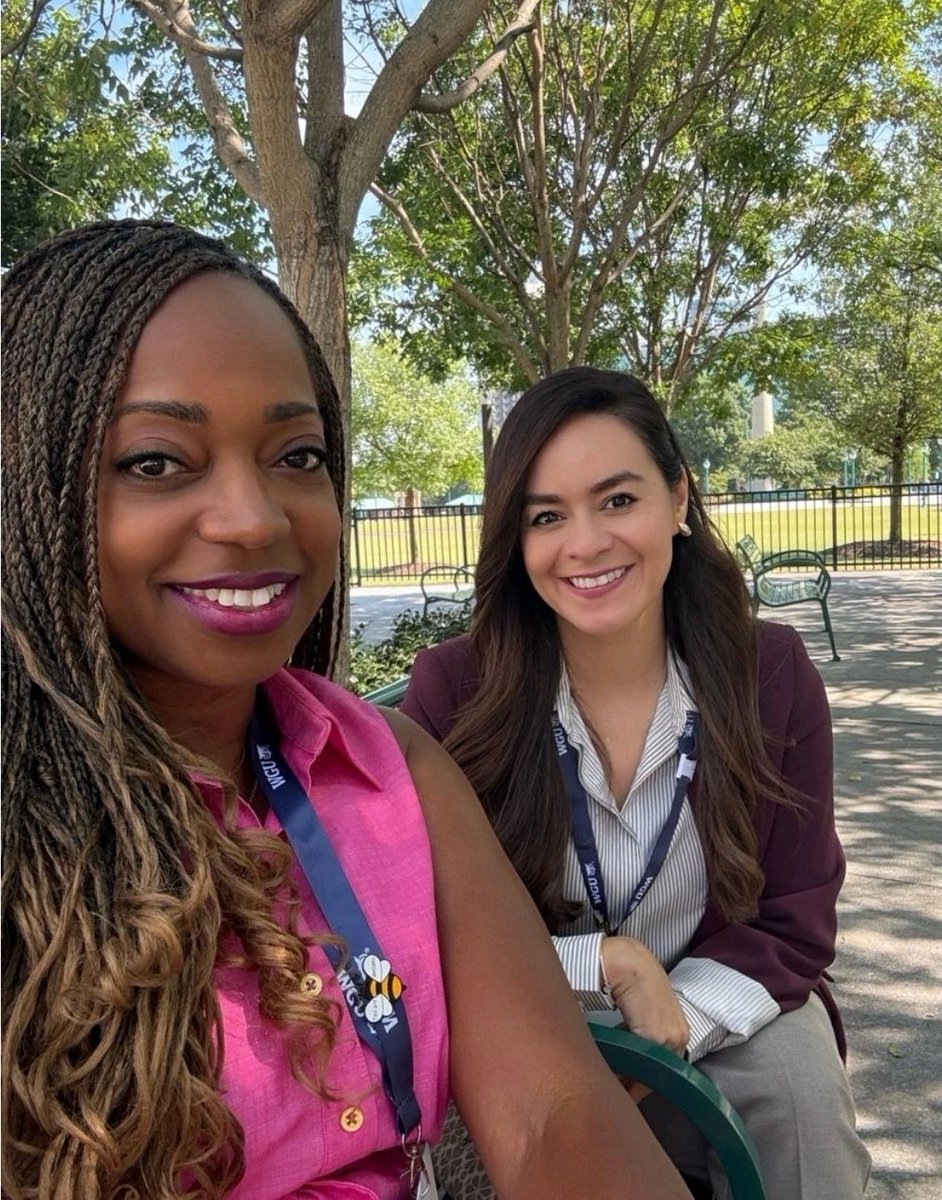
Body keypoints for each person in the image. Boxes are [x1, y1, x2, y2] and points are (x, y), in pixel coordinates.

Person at [0, 224, 691, 1200]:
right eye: (157, 461)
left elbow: (553, 1113)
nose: (255, 518)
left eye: (297, 454)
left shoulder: (382, 766)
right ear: (28, 481)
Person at [402, 367, 871, 1200]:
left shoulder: (770, 674)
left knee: (801, 1101)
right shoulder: (455, 693)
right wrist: (604, 966)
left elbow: (795, 919)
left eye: (617, 500)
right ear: (516, 539)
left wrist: (672, 1023)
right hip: (532, 1004)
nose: (584, 544)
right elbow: (425, 933)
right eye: (547, 516)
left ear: (678, 499)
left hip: (726, 997)